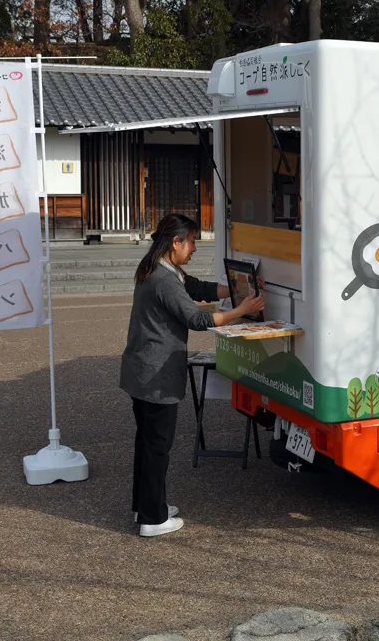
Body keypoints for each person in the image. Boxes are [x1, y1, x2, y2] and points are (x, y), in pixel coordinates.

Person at [120, 213, 265, 538]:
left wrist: (238, 288)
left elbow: (197, 288)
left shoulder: (158, 267)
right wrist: (241, 310)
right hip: (154, 376)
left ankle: (146, 506)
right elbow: (196, 320)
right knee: (157, 446)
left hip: (141, 372)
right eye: (192, 242)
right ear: (176, 242)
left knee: (147, 443)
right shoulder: (164, 279)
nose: (195, 248)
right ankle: (153, 520)